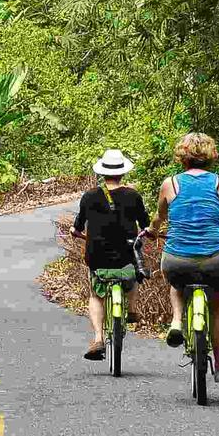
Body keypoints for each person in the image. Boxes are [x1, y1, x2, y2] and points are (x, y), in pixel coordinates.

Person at [153, 132, 219, 381]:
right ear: (212, 155)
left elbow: (159, 218)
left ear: (182, 157)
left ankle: (177, 321)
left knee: (176, 282)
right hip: (215, 259)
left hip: (177, 260)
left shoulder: (170, 184)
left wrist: (151, 230)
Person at [70, 148, 149, 361]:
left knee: (96, 294)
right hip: (126, 254)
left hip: (97, 256)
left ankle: (97, 338)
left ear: (102, 173)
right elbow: (146, 226)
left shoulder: (89, 196)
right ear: (122, 173)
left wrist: (77, 233)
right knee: (133, 274)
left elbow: (77, 227)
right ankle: (131, 308)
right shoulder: (133, 196)